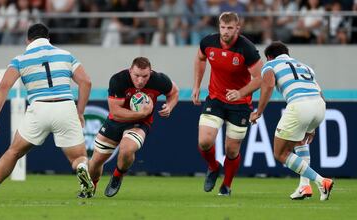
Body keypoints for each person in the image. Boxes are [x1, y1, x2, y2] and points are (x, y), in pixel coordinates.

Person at [0, 23, 94, 201]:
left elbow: (3, 88)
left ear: (27, 40)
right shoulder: (66, 55)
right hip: (65, 106)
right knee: (78, 157)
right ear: (48, 38)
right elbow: (86, 82)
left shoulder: (20, 59)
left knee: (13, 152)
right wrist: (80, 112)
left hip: (39, 108)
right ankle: (81, 169)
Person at [249, 41, 334, 201]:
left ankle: (322, 181)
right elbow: (319, 92)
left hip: (299, 105)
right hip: (320, 105)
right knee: (301, 142)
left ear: (269, 57)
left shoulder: (270, 65)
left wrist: (258, 112)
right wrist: (312, 126)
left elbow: (267, 86)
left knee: (280, 153)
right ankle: (304, 186)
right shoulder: (305, 66)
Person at [192, 11, 263, 196]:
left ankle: (226, 186)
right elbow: (200, 58)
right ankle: (213, 166)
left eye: (230, 28)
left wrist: (240, 92)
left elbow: (259, 78)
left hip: (240, 104)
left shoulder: (246, 49)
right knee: (204, 142)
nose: (225, 31)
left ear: (237, 28)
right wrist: (196, 86)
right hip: (215, 98)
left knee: (231, 151)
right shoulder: (208, 42)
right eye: (223, 27)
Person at [88, 57, 179, 197]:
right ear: (130, 71)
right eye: (136, 75)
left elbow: (173, 92)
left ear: (151, 72)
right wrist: (140, 113)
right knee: (95, 162)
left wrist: (170, 106)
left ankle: (118, 176)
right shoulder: (118, 80)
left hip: (140, 124)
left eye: (145, 76)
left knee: (127, 149)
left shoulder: (160, 80)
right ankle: (91, 187)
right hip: (115, 121)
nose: (140, 80)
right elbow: (115, 112)